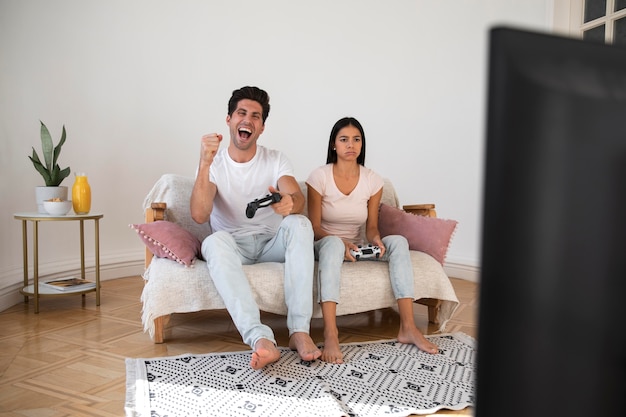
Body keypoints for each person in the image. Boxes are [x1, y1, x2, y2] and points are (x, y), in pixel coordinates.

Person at [190, 86, 321, 369]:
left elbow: (296, 197)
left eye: (255, 116)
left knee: (299, 223)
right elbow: (200, 215)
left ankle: (299, 331)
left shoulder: (275, 159)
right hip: (234, 246)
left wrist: (291, 202)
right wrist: (203, 163)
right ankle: (261, 339)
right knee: (212, 243)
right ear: (229, 120)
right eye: (241, 113)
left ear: (261, 127)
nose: (247, 120)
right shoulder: (214, 164)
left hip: (271, 243)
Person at [306, 117, 439, 364]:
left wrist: (376, 241)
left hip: (356, 247)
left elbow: (372, 228)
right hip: (325, 244)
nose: (351, 145)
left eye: (356, 139)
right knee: (335, 244)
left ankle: (408, 327)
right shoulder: (319, 177)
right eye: (344, 139)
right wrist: (338, 240)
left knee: (397, 241)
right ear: (334, 144)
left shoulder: (372, 180)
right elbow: (314, 227)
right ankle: (331, 333)